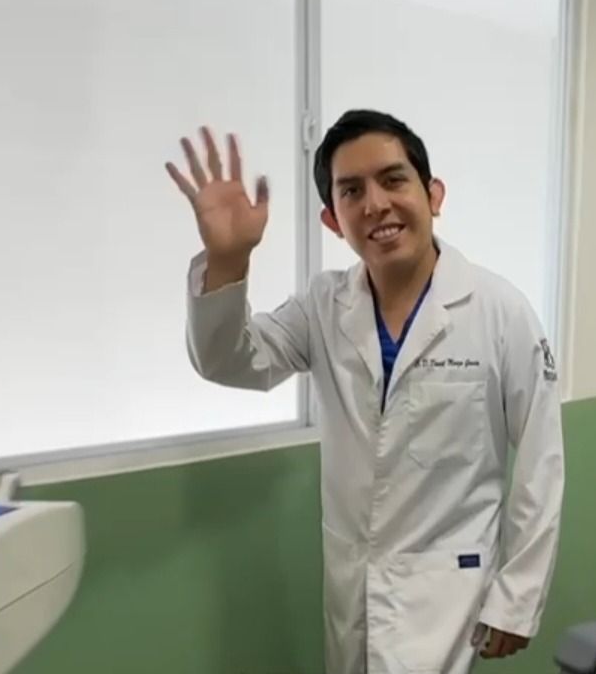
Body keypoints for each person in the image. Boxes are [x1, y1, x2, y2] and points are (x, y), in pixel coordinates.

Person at [167, 110, 565, 674]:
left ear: (433, 194)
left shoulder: (501, 311)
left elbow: (541, 461)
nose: (375, 204)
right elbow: (227, 360)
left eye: (393, 179)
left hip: (448, 592)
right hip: (353, 586)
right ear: (333, 220)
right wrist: (229, 262)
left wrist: (517, 595)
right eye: (352, 191)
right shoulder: (323, 307)